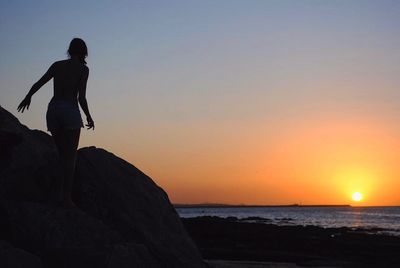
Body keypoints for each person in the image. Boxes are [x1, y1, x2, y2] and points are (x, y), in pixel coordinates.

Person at [17, 38, 94, 208]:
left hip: (53, 111)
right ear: (83, 52)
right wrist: (88, 115)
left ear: (70, 50)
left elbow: (40, 82)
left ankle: (58, 194)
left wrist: (28, 96)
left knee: (61, 156)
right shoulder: (83, 70)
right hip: (70, 111)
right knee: (70, 157)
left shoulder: (57, 65)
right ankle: (66, 198)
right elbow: (81, 97)